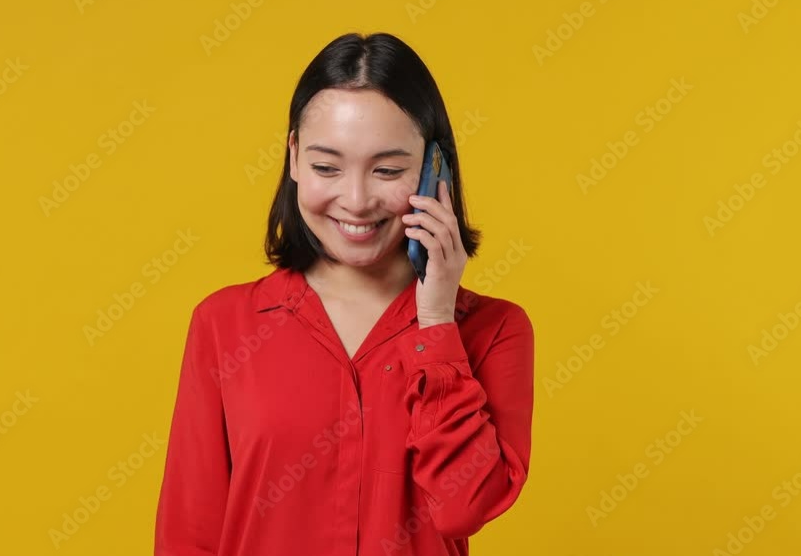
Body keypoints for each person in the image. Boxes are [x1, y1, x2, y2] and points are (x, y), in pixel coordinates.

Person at [154, 31, 534, 556]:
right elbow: (188, 534)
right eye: (327, 167)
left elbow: (462, 507)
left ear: (433, 169)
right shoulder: (224, 324)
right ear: (293, 157)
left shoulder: (495, 331)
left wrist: (438, 324)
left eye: (388, 170)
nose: (355, 201)